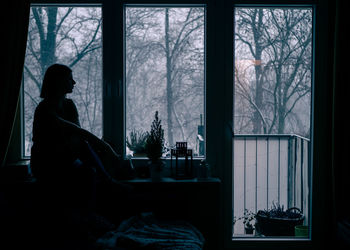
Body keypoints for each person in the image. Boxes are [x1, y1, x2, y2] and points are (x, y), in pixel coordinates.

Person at [29, 64, 132, 246]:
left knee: (87, 162)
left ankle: (105, 186)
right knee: (84, 154)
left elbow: (78, 137)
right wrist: (104, 146)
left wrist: (98, 148)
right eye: (70, 78)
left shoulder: (69, 105)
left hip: (67, 158)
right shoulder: (44, 109)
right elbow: (73, 130)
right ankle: (104, 190)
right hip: (46, 164)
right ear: (58, 82)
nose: (74, 82)